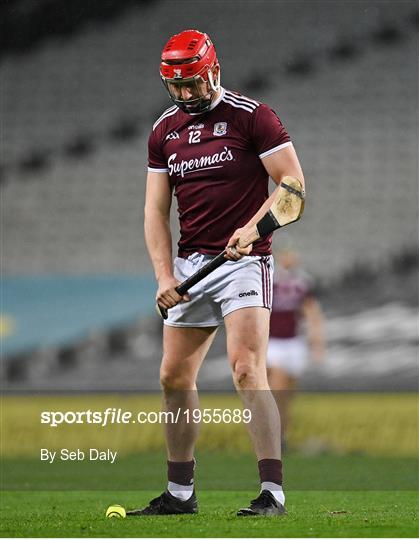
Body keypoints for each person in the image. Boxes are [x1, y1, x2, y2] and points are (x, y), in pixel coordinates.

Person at [127, 29, 305, 517]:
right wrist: (164, 276)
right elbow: (153, 212)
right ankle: (180, 494)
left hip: (245, 262)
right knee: (173, 377)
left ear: (214, 71)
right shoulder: (165, 131)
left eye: (194, 84)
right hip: (193, 265)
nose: (186, 96)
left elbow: (294, 189)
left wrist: (253, 228)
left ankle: (272, 492)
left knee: (247, 368)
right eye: (177, 87)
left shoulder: (253, 117)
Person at [267, 249, 325, 449]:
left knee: (288, 394)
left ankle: (282, 436)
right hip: (273, 342)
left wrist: (316, 342)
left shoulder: (301, 284)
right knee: (278, 390)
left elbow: (311, 312)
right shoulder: (268, 281)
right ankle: (272, 438)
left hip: (294, 342)